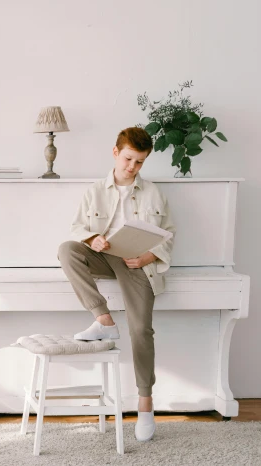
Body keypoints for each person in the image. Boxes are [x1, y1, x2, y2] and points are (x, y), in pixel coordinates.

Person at [57, 126, 175, 442]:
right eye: (128, 159)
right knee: (67, 249)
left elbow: (169, 235)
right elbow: (77, 227)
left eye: (139, 162)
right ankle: (103, 319)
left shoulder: (154, 193)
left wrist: (147, 257)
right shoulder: (94, 190)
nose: (132, 167)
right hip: (104, 257)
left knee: (141, 331)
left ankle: (145, 403)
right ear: (115, 152)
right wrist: (93, 239)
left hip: (137, 264)